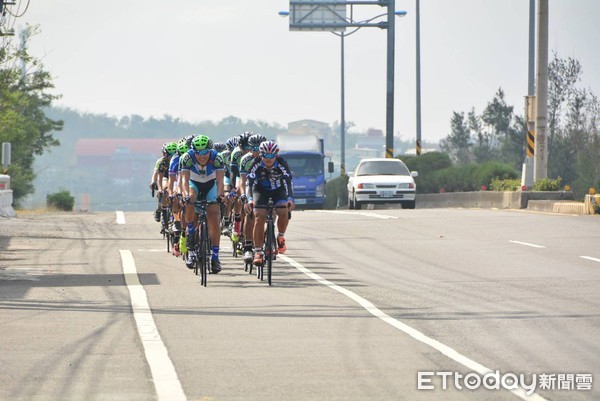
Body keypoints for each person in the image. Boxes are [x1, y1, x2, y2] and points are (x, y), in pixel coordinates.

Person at [244, 140, 295, 266]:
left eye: (271, 156)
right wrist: (249, 200)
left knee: (283, 210)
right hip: (260, 190)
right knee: (259, 216)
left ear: (276, 155)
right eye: (265, 156)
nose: (268, 159)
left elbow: (288, 182)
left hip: (278, 190)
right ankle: (258, 251)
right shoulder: (255, 163)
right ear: (260, 155)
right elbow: (249, 183)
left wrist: (290, 199)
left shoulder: (282, 163)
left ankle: (280, 237)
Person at [180, 135, 225, 273]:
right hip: (194, 184)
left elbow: (220, 181)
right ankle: (191, 240)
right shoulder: (187, 158)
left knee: (213, 215)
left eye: (205, 152)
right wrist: (185, 195)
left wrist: (219, 196)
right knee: (191, 198)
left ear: (210, 150)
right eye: (198, 152)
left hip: (211, 185)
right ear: (193, 151)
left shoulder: (217, 158)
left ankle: (215, 258)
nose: (202, 156)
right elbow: (184, 180)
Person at [239, 133, 266, 264]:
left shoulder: (268, 157)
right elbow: (242, 180)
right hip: (251, 188)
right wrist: (244, 195)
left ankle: (269, 235)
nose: (255, 152)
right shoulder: (245, 160)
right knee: (249, 215)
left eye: (258, 149)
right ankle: (248, 246)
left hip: (266, 189)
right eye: (252, 149)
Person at [229, 131, 253, 241]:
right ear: (240, 146)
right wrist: (232, 188)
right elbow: (233, 172)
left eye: (250, 147)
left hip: (252, 176)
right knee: (238, 191)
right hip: (240, 174)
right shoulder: (236, 153)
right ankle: (237, 219)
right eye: (245, 147)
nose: (248, 150)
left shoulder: (256, 153)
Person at [150, 142, 177, 224]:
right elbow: (156, 174)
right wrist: (153, 183)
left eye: (173, 154)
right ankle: (161, 209)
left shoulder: (178, 160)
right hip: (165, 177)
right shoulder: (161, 162)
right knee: (164, 189)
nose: (171, 157)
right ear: (165, 154)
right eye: (169, 155)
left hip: (175, 177)